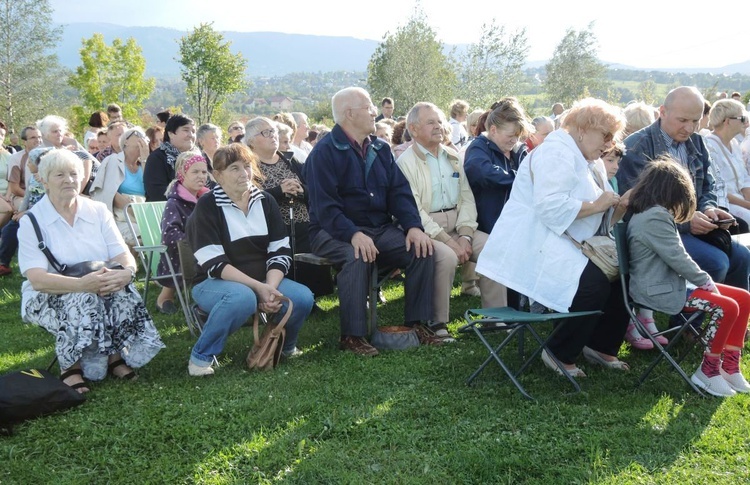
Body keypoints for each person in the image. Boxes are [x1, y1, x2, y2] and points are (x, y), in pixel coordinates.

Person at [477, 98, 630, 378]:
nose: (609, 144)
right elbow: (551, 207)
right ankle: (559, 352)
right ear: (583, 129)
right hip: (536, 243)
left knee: (622, 275)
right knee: (592, 284)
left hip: (566, 242)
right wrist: (599, 205)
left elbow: (600, 215)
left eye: (612, 137)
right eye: (605, 135)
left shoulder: (588, 160)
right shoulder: (555, 153)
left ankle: (599, 345)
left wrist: (619, 205)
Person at [17, 148, 164, 392]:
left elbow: (122, 254)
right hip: (49, 293)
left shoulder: (97, 211)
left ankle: (115, 357)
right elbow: (37, 279)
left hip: (97, 282)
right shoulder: (32, 221)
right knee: (83, 297)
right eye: (59, 175)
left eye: (74, 174)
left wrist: (127, 272)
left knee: (120, 288)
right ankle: (70, 366)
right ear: (43, 180)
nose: (69, 180)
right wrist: (82, 285)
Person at [304, 87, 436, 356]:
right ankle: (352, 336)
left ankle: (416, 324)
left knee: (422, 249)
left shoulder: (379, 147)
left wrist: (413, 226)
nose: (375, 111)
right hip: (331, 231)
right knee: (357, 255)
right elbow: (325, 208)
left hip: (377, 228)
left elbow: (399, 192)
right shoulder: (324, 153)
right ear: (349, 114)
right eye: (369, 106)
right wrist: (353, 234)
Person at [185, 144, 314, 376]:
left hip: (264, 279)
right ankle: (201, 357)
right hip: (212, 282)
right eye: (234, 168)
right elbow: (214, 264)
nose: (243, 173)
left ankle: (282, 346)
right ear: (217, 175)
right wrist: (259, 288)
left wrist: (270, 288)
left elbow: (280, 250)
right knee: (242, 297)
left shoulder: (265, 201)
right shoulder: (207, 206)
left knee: (303, 297)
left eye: (247, 167)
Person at [627, 157, 750, 396]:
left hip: (669, 285)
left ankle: (730, 366)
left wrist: (704, 282)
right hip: (656, 292)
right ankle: (708, 370)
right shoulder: (654, 217)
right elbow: (677, 256)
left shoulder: (652, 213)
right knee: (726, 307)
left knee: (743, 298)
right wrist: (705, 281)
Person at [617, 86, 750, 293]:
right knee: (716, 263)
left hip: (694, 227)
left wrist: (708, 209)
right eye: (683, 120)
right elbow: (637, 205)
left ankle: (729, 322)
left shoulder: (697, 141)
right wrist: (686, 222)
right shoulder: (638, 146)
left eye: (696, 121)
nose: (689, 128)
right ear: (662, 112)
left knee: (742, 257)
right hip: (657, 235)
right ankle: (688, 323)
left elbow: (708, 184)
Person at [396, 102, 507, 340]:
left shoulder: (452, 156)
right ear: (413, 129)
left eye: (440, 121)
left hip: (459, 224)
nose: (439, 126)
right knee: (445, 257)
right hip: (428, 230)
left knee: (493, 247)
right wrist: (451, 242)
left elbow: (467, 198)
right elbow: (414, 211)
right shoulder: (405, 162)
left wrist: (466, 235)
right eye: (431, 122)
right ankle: (438, 323)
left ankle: (494, 316)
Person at [246, 117, 333, 297]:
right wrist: (280, 191)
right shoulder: (249, 167)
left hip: (303, 223)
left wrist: (301, 190)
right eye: (266, 132)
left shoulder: (291, 161)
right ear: (251, 141)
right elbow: (248, 198)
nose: (273, 136)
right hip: (271, 230)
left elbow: (315, 191)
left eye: (274, 132)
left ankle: (313, 296)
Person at [464, 98, 532, 234]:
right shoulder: (478, 147)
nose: (515, 140)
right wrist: (520, 179)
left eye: (518, 136)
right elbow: (483, 173)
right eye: (511, 135)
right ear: (493, 130)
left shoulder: (519, 151)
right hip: (491, 228)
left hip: (519, 224)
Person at [156, 151, 209, 314]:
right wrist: (196, 241)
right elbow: (169, 235)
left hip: (205, 249)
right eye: (195, 171)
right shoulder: (174, 203)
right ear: (182, 174)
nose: (201, 176)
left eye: (204, 172)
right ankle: (165, 297)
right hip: (179, 254)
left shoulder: (207, 199)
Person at [88, 126, 150, 246]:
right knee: (145, 235)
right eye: (137, 134)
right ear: (125, 141)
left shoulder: (144, 164)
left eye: (144, 136)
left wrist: (145, 159)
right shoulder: (113, 160)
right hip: (122, 215)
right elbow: (108, 191)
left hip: (142, 214)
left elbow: (150, 189)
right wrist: (134, 211)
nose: (142, 138)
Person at [0, 147, 48, 277]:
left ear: (40, 163)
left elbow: (46, 202)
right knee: (8, 230)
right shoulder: (32, 178)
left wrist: (26, 213)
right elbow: (27, 197)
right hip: (28, 213)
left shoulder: (46, 180)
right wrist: (19, 212)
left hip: (42, 215)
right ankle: (3, 263)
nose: (27, 164)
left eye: (30, 162)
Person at [704, 99, 750, 225]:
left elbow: (744, 178)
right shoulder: (709, 146)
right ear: (727, 121)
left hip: (741, 201)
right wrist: (747, 204)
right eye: (742, 118)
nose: (745, 122)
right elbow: (716, 188)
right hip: (724, 204)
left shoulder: (734, 144)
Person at [144, 114, 196, 202]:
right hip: (166, 211)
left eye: (194, 131)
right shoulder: (158, 158)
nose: (191, 135)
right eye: (186, 130)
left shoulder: (198, 158)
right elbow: (157, 192)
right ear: (171, 134)